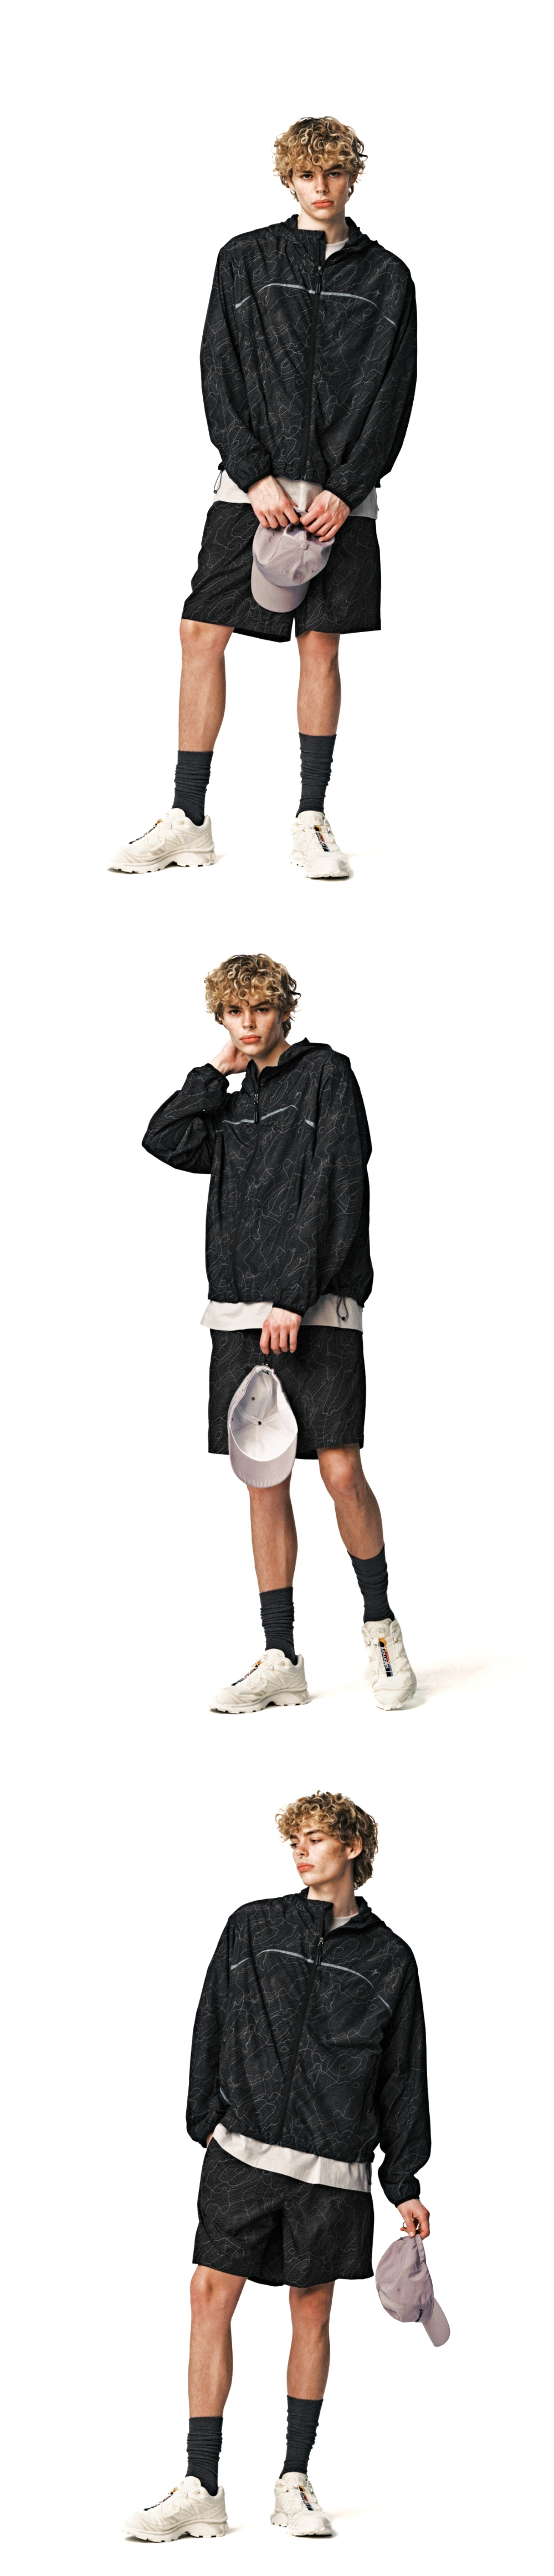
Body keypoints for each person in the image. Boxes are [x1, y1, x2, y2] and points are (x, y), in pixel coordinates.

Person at [110, 114, 417, 879]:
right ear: (289, 179)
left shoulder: (389, 278)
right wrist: (252, 475)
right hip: (251, 489)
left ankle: (312, 817)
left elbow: (395, 391)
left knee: (321, 644)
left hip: (342, 497)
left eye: (335, 171)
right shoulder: (245, 259)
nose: (322, 186)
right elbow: (219, 367)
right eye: (308, 173)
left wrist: (348, 487)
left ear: (353, 177)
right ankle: (187, 817)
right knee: (200, 632)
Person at [124, 1789, 432, 2542]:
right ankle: (201, 2483)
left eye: (317, 1838)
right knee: (208, 2294)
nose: (302, 1850)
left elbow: (403, 2074)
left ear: (352, 1847)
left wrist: (404, 2181)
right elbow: (212, 2016)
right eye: (296, 1839)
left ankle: (294, 2478)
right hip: (245, 2152)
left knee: (311, 2309)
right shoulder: (254, 1925)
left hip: (333, 2167)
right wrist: (204, 2116)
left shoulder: (391, 1959)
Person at [142, 951, 416, 1712]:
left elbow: (340, 1183)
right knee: (263, 1480)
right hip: (239, 1314)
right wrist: (214, 1072)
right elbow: (163, 1139)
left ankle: (381, 1628)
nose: (248, 1023)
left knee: (340, 1470)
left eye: (259, 1009)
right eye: (234, 1012)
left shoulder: (327, 1076)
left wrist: (295, 1295)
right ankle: (280, 1655)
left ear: (283, 1010)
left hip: (316, 1307)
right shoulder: (228, 1107)